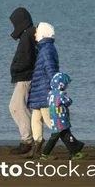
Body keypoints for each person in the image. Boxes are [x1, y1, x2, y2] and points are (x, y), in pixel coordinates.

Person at [24, 22, 58, 158]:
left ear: (43, 34)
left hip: (44, 92)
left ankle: (72, 143)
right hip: (39, 92)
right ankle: (36, 148)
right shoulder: (44, 48)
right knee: (35, 119)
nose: (35, 34)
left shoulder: (47, 50)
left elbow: (51, 70)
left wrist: (54, 87)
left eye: (37, 32)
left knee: (51, 122)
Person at [8, 7, 37, 155]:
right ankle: (31, 139)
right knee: (16, 107)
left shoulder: (27, 36)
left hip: (25, 78)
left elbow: (26, 59)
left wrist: (15, 69)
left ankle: (29, 141)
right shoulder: (29, 34)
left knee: (18, 108)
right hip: (25, 77)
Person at [40, 72, 86, 160]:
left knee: (66, 135)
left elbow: (48, 102)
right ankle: (45, 154)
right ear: (61, 84)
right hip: (61, 118)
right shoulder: (61, 94)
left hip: (54, 117)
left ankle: (75, 151)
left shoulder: (50, 93)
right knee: (56, 136)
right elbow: (68, 101)